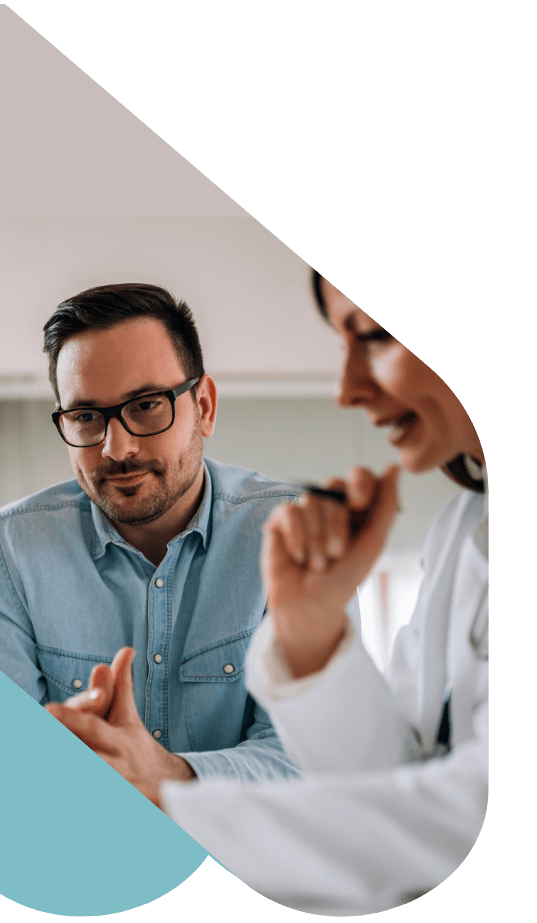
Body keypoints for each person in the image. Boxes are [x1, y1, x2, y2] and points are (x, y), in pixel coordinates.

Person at [45, 273, 488, 914]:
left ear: (204, 408)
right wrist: (310, 635)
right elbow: (393, 783)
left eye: (377, 337)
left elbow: (459, 818)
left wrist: (169, 798)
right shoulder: (459, 531)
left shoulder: (269, 519)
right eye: (86, 416)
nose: (348, 389)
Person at [0, 281, 325, 785]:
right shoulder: (11, 550)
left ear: (206, 406)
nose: (116, 447)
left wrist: (167, 777)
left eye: (147, 405)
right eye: (86, 416)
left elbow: (308, 756)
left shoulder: (293, 532)